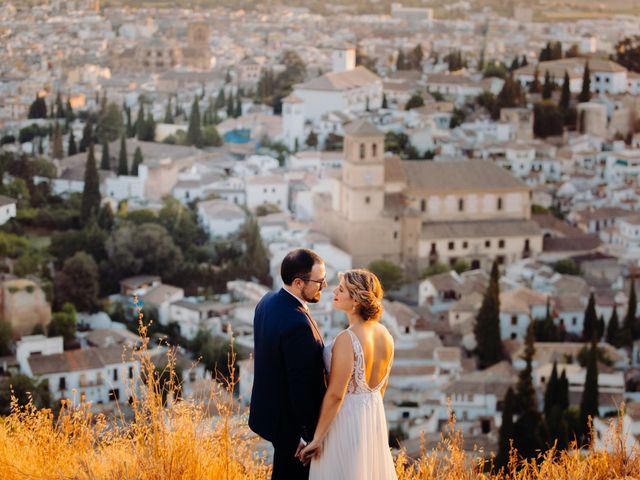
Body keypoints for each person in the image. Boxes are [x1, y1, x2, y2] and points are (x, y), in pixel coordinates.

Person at [299, 269, 397, 480]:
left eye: (341, 289)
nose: (334, 290)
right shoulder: (386, 335)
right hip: (372, 420)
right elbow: (381, 389)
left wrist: (316, 439)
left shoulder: (347, 338)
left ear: (356, 301)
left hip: (344, 422)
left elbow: (336, 394)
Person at [249, 248, 328, 480]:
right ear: (297, 282)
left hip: (270, 417)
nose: (323, 286)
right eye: (319, 281)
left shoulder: (267, 301)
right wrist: (305, 436)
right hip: (292, 429)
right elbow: (301, 385)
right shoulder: (298, 324)